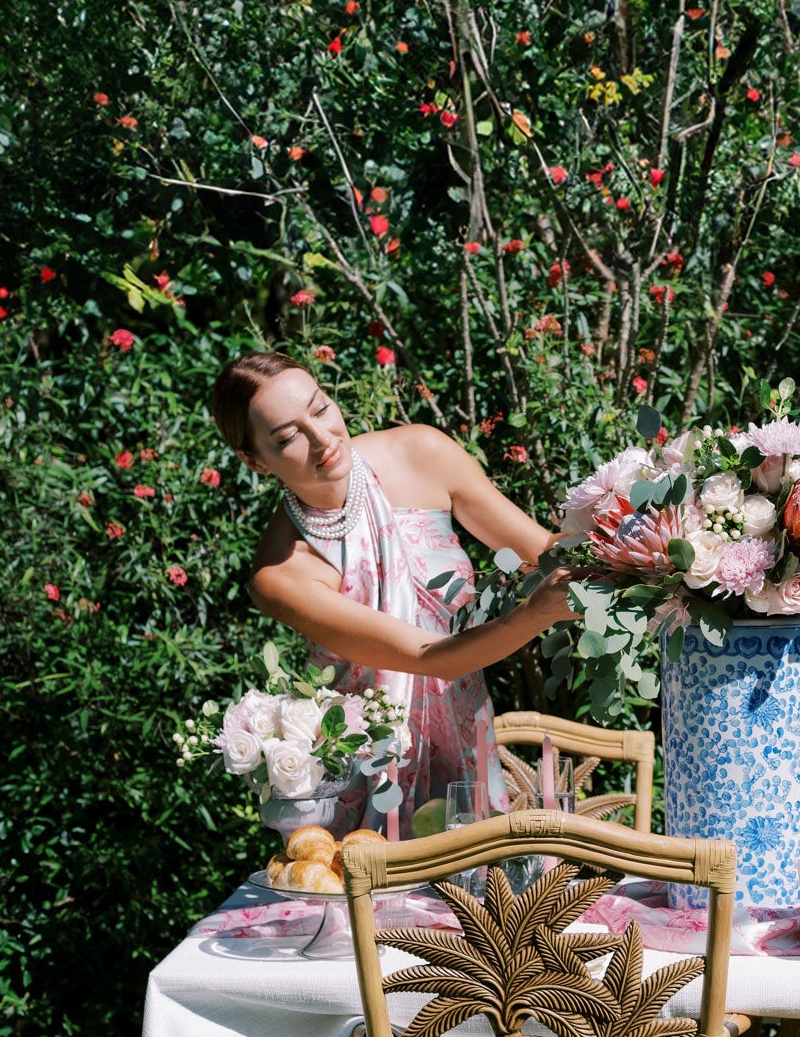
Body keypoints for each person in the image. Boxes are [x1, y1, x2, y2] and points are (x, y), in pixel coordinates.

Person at [211, 349, 574, 831]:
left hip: (468, 748)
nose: (322, 439)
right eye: (288, 436)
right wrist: (535, 614)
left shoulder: (421, 453)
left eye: (320, 409)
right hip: (366, 785)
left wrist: (662, 538)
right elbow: (430, 656)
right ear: (254, 460)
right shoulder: (282, 574)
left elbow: (545, 553)